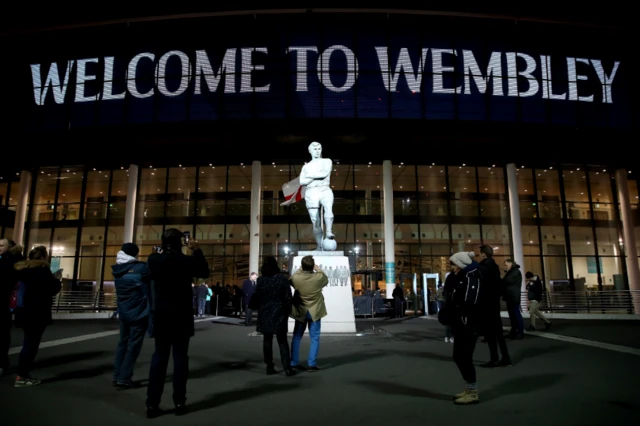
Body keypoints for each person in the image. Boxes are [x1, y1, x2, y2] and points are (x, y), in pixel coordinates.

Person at [145, 229, 210, 419]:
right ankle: (179, 402)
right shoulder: (187, 261)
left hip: (162, 314)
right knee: (181, 358)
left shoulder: (154, 260)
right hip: (181, 314)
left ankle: (152, 404)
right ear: (181, 242)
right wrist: (196, 250)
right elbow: (204, 272)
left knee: (159, 358)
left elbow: (154, 267)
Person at [13, 246, 62, 387]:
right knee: (31, 344)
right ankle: (22, 375)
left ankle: (21, 373)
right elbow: (51, 289)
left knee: (27, 341)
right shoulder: (42, 271)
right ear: (43, 258)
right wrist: (57, 280)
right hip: (37, 312)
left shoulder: (22, 270)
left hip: (22, 311)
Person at [112, 243, 151, 389]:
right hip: (138, 312)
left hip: (124, 311)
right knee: (133, 345)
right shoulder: (140, 268)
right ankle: (124, 377)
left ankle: (117, 375)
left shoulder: (117, 269)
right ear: (135, 254)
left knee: (123, 343)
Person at [446, 251, 482, 405]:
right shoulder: (460, 277)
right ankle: (469, 388)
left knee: (464, 357)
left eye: (453, 264)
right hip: (461, 322)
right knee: (459, 357)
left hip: (469, 323)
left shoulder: (472, 278)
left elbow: (469, 302)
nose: (452, 267)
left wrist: (459, 315)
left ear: (460, 264)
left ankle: (472, 392)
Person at [253, 257, 295, 376]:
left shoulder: (261, 280)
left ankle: (269, 366)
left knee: (267, 340)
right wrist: (288, 310)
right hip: (279, 312)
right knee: (282, 341)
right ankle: (287, 367)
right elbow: (287, 296)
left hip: (265, 312)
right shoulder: (281, 279)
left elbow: (258, 296)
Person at [289, 255, 329, 372]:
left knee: (296, 337)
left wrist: (301, 269)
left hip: (301, 310)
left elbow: (291, 279)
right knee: (314, 338)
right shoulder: (318, 277)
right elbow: (325, 278)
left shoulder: (296, 278)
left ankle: (294, 362)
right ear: (313, 266)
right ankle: (311, 364)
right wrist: (318, 268)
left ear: (301, 266)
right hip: (315, 311)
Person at [477, 245, 511, 368]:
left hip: (487, 303)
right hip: (494, 303)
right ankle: (505, 358)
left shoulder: (483, 267)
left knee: (491, 333)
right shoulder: (495, 267)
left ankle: (494, 358)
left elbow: (481, 286)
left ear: (483, 254)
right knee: (498, 333)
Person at [299, 141, 335, 250]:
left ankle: (329, 231)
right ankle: (319, 246)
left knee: (328, 209)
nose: (317, 151)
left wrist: (309, 176)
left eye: (319, 148)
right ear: (310, 151)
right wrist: (315, 176)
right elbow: (301, 181)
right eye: (315, 149)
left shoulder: (327, 161)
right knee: (315, 220)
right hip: (311, 192)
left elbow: (324, 174)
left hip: (324, 188)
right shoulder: (306, 167)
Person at [0, 238, 24, 377]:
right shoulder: (7, 260)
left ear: (10, 247)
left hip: (4, 303)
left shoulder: (12, 262)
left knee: (2, 334)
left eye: (1, 245)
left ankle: (2, 364)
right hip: (4, 303)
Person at [503, 259, 524, 339]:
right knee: (512, 315)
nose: (505, 267)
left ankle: (520, 332)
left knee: (516, 314)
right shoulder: (513, 272)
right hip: (510, 296)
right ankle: (514, 331)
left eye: (506, 265)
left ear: (511, 263)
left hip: (513, 296)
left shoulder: (515, 272)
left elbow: (507, 281)